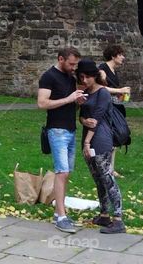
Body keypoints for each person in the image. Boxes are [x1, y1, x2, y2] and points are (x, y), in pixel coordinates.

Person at [37, 46, 85, 234]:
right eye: (71, 64)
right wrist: (69, 99)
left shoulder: (70, 77)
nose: (74, 68)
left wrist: (78, 101)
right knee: (61, 172)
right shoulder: (49, 76)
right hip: (56, 130)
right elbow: (42, 103)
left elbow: (70, 100)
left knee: (66, 174)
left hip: (71, 129)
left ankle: (60, 213)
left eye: (76, 65)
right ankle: (61, 217)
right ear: (61, 59)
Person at [76, 59, 126, 234]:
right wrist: (83, 119)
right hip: (88, 138)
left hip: (100, 139)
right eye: (81, 77)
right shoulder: (87, 92)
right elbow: (83, 116)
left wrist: (88, 142)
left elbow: (96, 119)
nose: (84, 80)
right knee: (98, 179)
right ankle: (104, 214)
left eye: (87, 76)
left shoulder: (103, 93)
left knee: (107, 178)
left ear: (94, 75)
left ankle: (118, 218)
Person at [98, 44, 131, 177]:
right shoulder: (102, 70)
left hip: (115, 107)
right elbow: (100, 87)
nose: (123, 57)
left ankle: (111, 168)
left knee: (115, 139)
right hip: (105, 109)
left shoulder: (114, 71)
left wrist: (120, 95)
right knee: (109, 138)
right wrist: (119, 90)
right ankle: (106, 167)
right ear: (113, 56)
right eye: (120, 54)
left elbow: (111, 91)